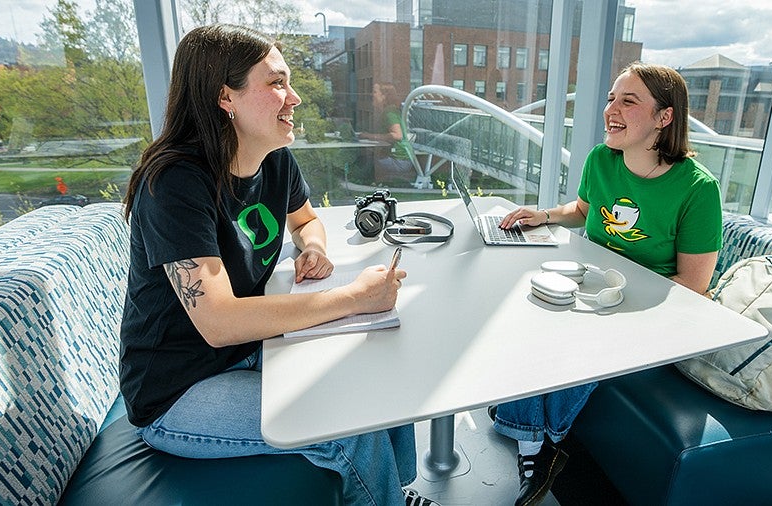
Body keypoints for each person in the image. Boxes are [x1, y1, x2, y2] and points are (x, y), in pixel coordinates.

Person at [120, 24, 436, 506]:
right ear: (226, 97)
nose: (294, 98)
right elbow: (220, 322)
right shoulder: (174, 185)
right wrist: (354, 297)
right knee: (349, 425)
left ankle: (398, 489)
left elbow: (306, 220)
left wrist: (314, 249)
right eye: (276, 83)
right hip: (178, 390)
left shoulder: (274, 160)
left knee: (375, 371)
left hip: (249, 350)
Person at [494, 62, 724, 506]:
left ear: (665, 117)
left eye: (628, 100)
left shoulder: (698, 189)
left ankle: (537, 446)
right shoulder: (602, 160)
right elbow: (584, 211)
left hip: (649, 312)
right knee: (522, 312)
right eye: (610, 98)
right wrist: (543, 215)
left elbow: (694, 285)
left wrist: (609, 303)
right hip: (590, 289)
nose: (610, 109)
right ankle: (529, 434)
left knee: (571, 337)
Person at [358, 82, 418, 182]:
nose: (371, 94)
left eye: (375, 92)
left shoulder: (389, 112)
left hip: (400, 161)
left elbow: (397, 135)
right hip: (401, 159)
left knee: (365, 162)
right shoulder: (389, 111)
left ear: (384, 96)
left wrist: (370, 136)